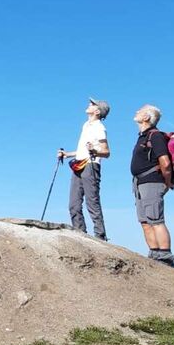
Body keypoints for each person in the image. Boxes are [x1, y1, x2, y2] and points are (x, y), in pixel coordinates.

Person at [58, 98, 110, 240]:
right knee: (73, 204)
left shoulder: (99, 127)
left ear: (97, 111)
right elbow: (82, 150)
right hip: (79, 164)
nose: (89, 104)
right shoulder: (86, 125)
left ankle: (100, 236)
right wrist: (67, 154)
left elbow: (106, 152)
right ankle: (80, 234)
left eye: (93, 104)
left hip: (91, 165)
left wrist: (94, 151)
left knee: (92, 202)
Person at [131, 105, 174, 267]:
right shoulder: (142, 137)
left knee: (156, 220)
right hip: (139, 182)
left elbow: (165, 162)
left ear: (146, 118)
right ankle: (155, 254)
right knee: (144, 221)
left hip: (152, 181)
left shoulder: (155, 136)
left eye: (140, 111)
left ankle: (165, 257)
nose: (137, 111)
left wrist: (168, 182)